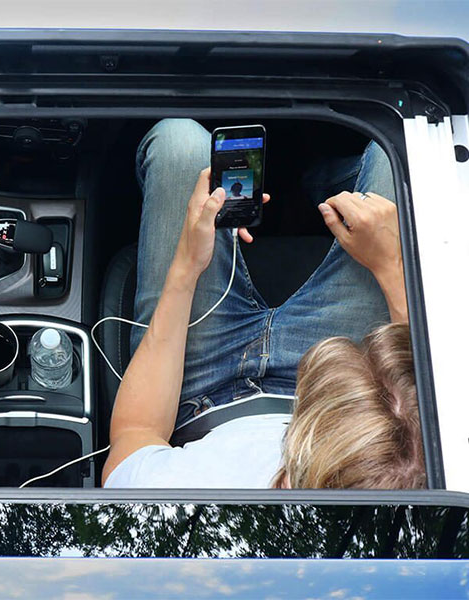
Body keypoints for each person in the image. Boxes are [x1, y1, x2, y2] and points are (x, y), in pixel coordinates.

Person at [103, 118, 425, 489]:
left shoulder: (173, 493)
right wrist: (391, 266)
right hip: (337, 397)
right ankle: (315, 184)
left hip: (203, 397)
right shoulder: (390, 486)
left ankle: (312, 185)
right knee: (398, 154)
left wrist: (187, 267)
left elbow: (137, 431)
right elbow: (417, 418)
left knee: (181, 144)